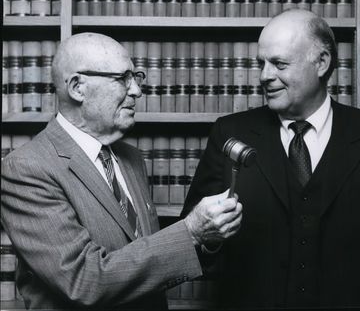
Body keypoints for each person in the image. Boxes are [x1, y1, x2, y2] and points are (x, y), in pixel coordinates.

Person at [0, 32, 243, 310]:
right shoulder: (27, 168)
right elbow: (84, 280)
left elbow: (147, 262)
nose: (137, 91)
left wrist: (207, 237)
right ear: (78, 88)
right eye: (122, 79)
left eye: (136, 77)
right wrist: (190, 231)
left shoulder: (131, 158)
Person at [182, 9, 360, 309]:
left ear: (321, 63)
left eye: (279, 64)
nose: (264, 76)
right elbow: (193, 243)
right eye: (262, 64)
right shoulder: (230, 132)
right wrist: (211, 239)